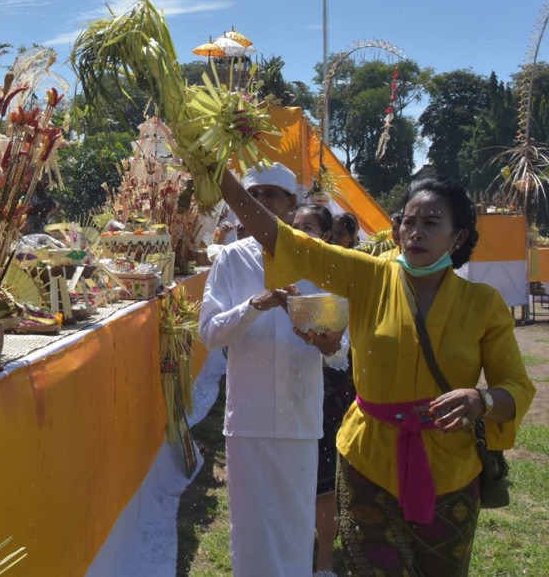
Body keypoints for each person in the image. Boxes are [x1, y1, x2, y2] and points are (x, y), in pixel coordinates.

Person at [216, 168, 535, 576]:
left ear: (459, 238)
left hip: (450, 469)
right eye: (409, 222)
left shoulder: (483, 303)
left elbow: (517, 388)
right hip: (366, 463)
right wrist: (219, 175)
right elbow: (287, 241)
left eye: (431, 224)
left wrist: (481, 399)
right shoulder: (368, 277)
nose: (415, 233)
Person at [198, 163, 346, 576]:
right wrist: (253, 306)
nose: (259, 204)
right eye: (253, 195)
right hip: (249, 416)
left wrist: (328, 344)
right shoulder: (230, 259)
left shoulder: (319, 259)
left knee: (295, 524)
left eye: (270, 195)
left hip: (301, 416)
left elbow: (341, 346)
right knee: (251, 526)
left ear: (291, 203)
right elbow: (209, 334)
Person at [292, 205, 351, 577]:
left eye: (309, 227)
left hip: (329, 386)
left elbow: (349, 340)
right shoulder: (276, 272)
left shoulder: (339, 274)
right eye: (294, 227)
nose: (300, 233)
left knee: (323, 478)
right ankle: (294, 547)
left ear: (327, 235)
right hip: (286, 388)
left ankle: (325, 558)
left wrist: (329, 348)